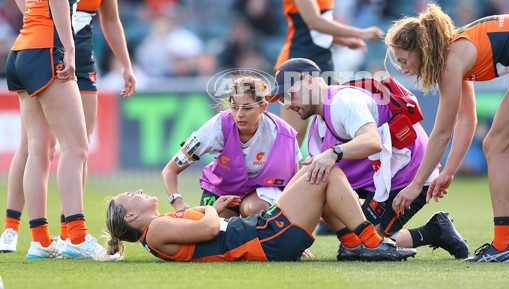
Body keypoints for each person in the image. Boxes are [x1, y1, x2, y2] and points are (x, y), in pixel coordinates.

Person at [385, 5, 509, 262]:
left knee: (495, 144)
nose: (403, 69)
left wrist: (416, 185)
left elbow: (442, 132)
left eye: (404, 60)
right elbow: (466, 118)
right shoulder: (456, 50)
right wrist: (448, 171)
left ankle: (503, 245)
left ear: (422, 49)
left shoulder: (450, 61)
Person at [0, 0, 137, 256]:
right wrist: (54, 37)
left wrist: (124, 64)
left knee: (60, 149)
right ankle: (51, 234)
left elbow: (110, 20)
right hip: (52, 52)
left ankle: (46, 240)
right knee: (58, 148)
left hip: (39, 52)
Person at [268, 58, 470, 261]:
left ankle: (434, 231)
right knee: (322, 187)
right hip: (380, 177)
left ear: (310, 82)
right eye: (281, 99)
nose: (287, 104)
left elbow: (372, 142)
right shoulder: (321, 117)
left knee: (364, 246)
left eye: (289, 94)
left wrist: (333, 153)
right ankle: (430, 231)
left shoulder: (342, 103)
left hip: (408, 177)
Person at [105, 166, 418, 262]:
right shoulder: (156, 230)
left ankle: (354, 243)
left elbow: (208, 231)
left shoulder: (158, 229)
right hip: (267, 238)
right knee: (327, 172)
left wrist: (202, 212)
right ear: (130, 217)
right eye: (131, 196)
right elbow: (211, 229)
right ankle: (367, 241)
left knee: (312, 167)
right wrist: (208, 209)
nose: (139, 191)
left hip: (264, 233)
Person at [275, 0, 384, 145]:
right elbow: (313, 21)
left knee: (334, 134)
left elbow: (319, 24)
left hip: (323, 60)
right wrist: (359, 33)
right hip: (298, 62)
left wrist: (343, 41)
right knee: (292, 142)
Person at [162, 76, 302, 219]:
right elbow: (170, 170)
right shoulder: (216, 127)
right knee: (214, 227)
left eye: (247, 108)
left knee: (258, 210)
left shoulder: (284, 134)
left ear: (263, 107)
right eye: (234, 107)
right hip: (221, 190)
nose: (239, 114)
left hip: (259, 193)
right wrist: (178, 203)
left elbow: (294, 182)